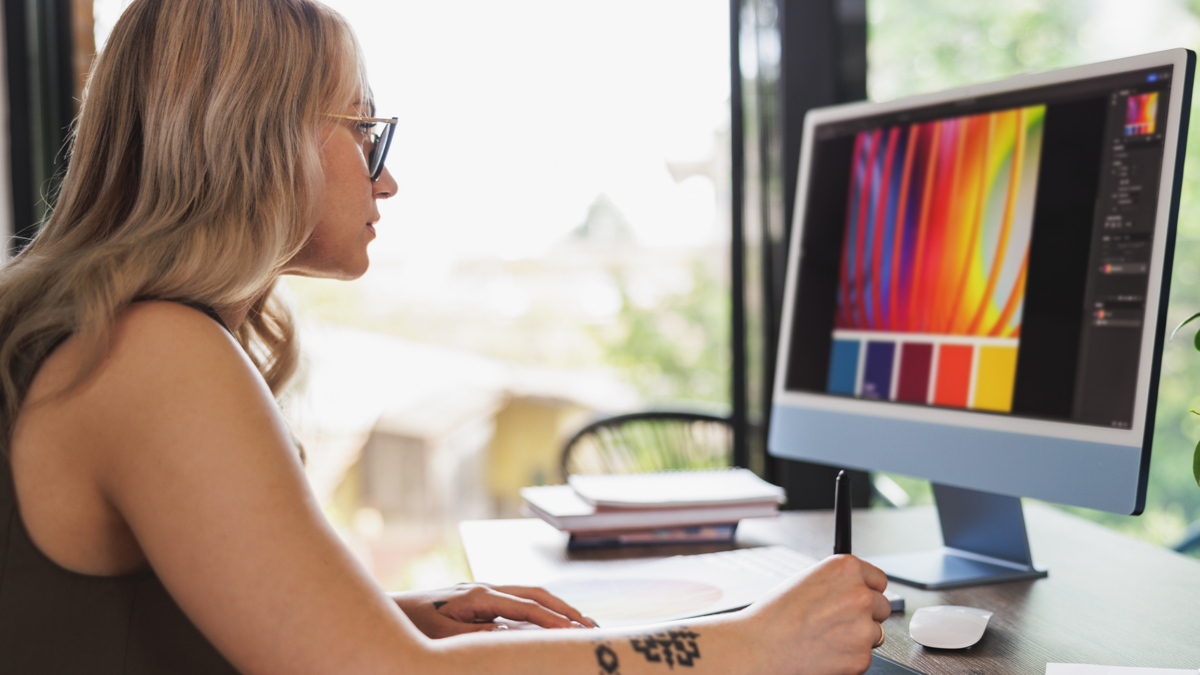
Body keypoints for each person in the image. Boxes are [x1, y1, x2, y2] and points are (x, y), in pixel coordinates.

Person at [0, 0, 891, 673]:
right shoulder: (154, 353)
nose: (387, 182)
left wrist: (387, 612)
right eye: (365, 132)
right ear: (257, 140)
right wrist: (753, 643)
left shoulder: (100, 333)